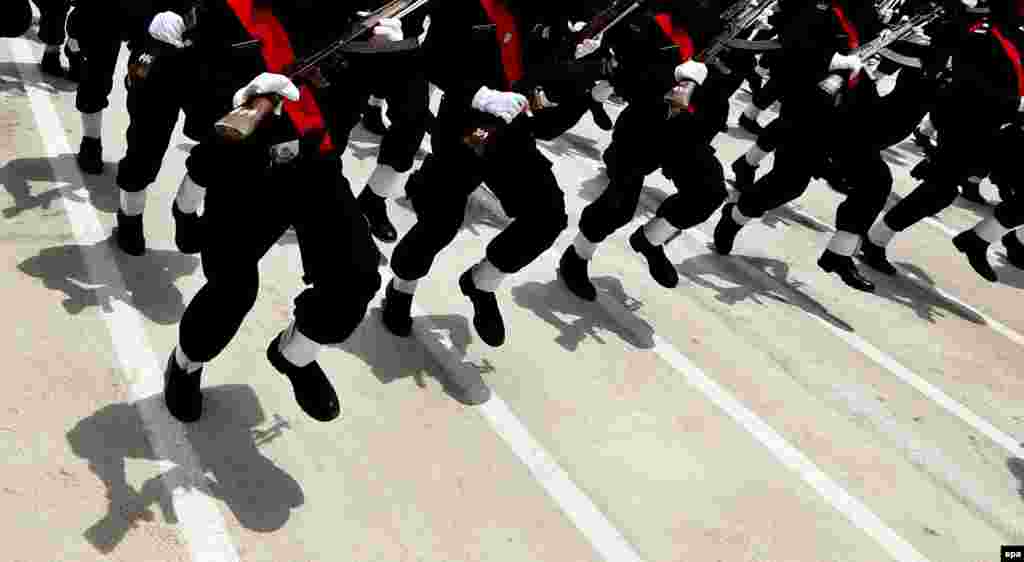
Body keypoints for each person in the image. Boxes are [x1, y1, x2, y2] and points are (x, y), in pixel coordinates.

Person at [157, 0, 389, 423]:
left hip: (315, 163)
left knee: (355, 274)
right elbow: (195, 101)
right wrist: (239, 94)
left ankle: (294, 355)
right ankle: (185, 363)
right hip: (245, 176)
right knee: (232, 291)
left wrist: (378, 53)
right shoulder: (219, 12)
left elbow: (348, 94)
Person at [378, 0, 580, 347]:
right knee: (440, 222)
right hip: (472, 126)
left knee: (547, 214)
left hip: (514, 127)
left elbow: (543, 67)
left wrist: (575, 65)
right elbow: (434, 59)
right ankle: (401, 288)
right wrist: (480, 95)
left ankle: (481, 283)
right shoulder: (462, 5)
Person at [559, 0, 729, 300]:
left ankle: (651, 240)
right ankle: (576, 256)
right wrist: (674, 75)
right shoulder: (640, 20)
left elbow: (719, 74)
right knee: (618, 206)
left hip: (685, 127)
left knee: (710, 191)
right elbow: (623, 79)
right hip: (643, 124)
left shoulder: (709, 20)